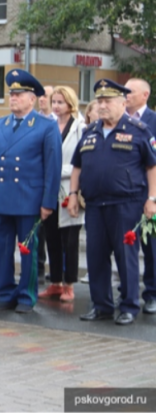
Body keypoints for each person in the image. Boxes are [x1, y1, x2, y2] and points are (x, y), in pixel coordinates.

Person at [69, 79, 156, 325]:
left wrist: (152, 199)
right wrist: (73, 195)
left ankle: (129, 306)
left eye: (108, 101)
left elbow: (152, 166)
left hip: (127, 204)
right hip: (95, 205)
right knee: (96, 256)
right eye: (100, 101)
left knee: (125, 256)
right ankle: (102, 305)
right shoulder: (91, 131)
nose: (102, 105)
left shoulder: (139, 130)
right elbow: (77, 165)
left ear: (122, 102)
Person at [0, 69, 62, 313]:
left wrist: (48, 202)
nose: (13, 98)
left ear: (32, 98)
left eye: (19, 94)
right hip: (1, 197)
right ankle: (4, 293)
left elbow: (53, 168)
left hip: (29, 198)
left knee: (28, 251)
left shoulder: (46, 126)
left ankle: (26, 296)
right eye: (11, 94)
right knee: (2, 250)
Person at [38, 86, 84, 302]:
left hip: (69, 187)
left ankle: (69, 284)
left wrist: (58, 171)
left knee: (70, 240)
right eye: (53, 102)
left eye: (60, 102)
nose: (56, 106)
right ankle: (55, 282)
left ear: (70, 103)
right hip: (50, 189)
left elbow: (81, 162)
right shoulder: (48, 125)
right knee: (51, 237)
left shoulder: (80, 127)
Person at [125, 78, 156, 315]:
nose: (126, 95)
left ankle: (152, 293)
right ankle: (127, 290)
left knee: (151, 248)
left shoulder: (153, 121)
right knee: (126, 244)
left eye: (130, 92)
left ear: (145, 95)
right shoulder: (120, 120)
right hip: (127, 194)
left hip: (150, 194)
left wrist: (153, 198)